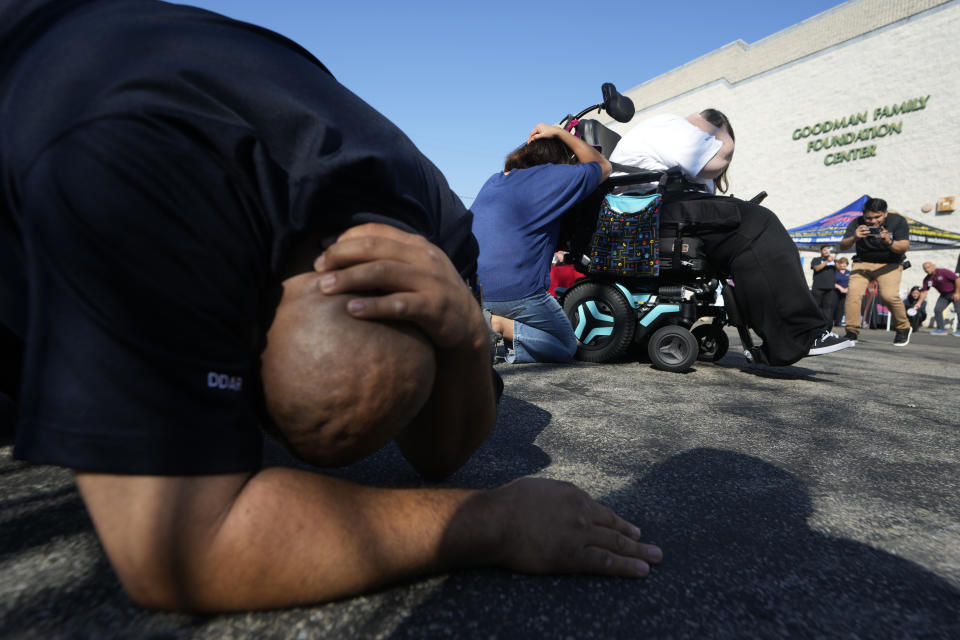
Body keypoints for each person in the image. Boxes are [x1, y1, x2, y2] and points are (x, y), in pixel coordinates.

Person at [0, 0, 661, 612]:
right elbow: (175, 554)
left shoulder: (444, 233)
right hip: (51, 76)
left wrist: (463, 334)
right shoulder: (130, 185)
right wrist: (488, 524)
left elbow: (440, 458)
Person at [607, 110, 853, 365]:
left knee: (747, 229)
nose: (720, 141)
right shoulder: (671, 124)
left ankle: (787, 335)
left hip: (658, 210)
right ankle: (799, 333)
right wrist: (721, 131)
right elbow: (716, 159)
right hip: (642, 211)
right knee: (757, 222)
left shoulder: (675, 134)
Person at [472, 124, 612, 363]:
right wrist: (561, 133)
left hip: (475, 291)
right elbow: (604, 166)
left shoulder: (493, 181)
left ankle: (490, 332)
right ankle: (496, 327)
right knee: (564, 345)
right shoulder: (554, 177)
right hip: (519, 294)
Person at [838, 197, 912, 346]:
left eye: (877, 217)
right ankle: (851, 331)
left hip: (889, 264)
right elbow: (843, 246)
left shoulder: (897, 221)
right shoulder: (856, 223)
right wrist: (854, 237)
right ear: (863, 215)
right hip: (862, 263)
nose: (872, 222)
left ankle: (903, 327)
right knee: (853, 294)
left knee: (889, 296)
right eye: (868, 218)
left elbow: (904, 247)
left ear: (885, 213)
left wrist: (889, 242)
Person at [912, 262, 960, 336]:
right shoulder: (927, 279)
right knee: (937, 310)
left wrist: (957, 293)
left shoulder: (943, 272)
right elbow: (924, 292)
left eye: (928, 267)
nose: (927, 270)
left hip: (954, 292)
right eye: (925, 269)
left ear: (933, 266)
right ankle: (941, 329)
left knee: (959, 310)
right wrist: (918, 303)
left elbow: (957, 279)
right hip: (944, 295)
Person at [810, 246, 839, 324]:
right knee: (815, 307)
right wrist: (826, 262)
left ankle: (827, 327)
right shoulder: (816, 259)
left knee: (828, 309)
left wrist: (836, 261)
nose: (826, 251)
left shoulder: (834, 260)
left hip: (830, 288)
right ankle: (813, 324)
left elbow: (839, 268)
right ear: (821, 251)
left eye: (828, 250)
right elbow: (816, 268)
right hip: (818, 287)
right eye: (825, 250)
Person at [834, 257, 850, 327]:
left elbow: (852, 282)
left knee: (841, 308)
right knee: (834, 306)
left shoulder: (849, 272)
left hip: (846, 292)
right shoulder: (835, 272)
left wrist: (847, 289)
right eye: (842, 263)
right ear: (839, 264)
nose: (843, 265)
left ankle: (838, 322)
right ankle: (831, 321)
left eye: (845, 263)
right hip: (836, 292)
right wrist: (840, 288)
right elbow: (832, 282)